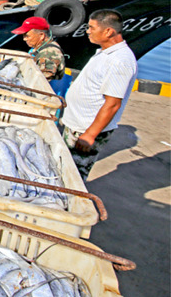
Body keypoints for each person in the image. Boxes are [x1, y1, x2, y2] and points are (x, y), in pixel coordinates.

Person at [61, 9, 137, 180]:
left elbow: (112, 104)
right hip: (76, 126)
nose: (87, 31)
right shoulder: (104, 52)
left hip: (85, 130)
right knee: (61, 167)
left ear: (108, 31)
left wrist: (90, 135)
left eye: (91, 27)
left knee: (72, 176)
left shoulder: (120, 61)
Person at [11, 16, 66, 81]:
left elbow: (41, 80)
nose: (24, 39)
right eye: (23, 35)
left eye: (27, 36)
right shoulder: (37, 47)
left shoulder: (48, 53)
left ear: (41, 35)